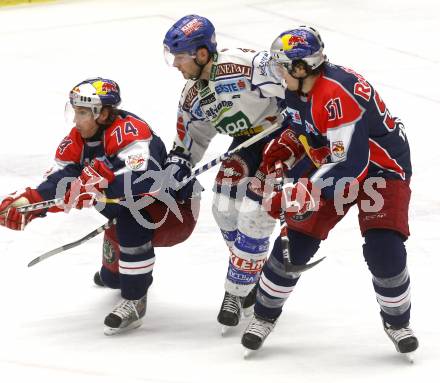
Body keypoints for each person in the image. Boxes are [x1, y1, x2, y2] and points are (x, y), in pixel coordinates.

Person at [241, 26, 419, 356]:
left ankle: (397, 321)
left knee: (384, 248)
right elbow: (307, 129)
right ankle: (263, 315)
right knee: (296, 243)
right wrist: (286, 145)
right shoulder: (298, 87)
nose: (278, 73)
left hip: (381, 169)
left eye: (283, 66)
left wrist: (299, 191)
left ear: (300, 67)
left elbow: (349, 166)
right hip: (333, 162)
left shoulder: (337, 93)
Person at [0, 78, 199, 335]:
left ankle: (135, 299)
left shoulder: (131, 132)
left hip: (173, 211)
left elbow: (143, 181)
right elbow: (61, 178)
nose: (75, 120)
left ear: (103, 113)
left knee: (130, 220)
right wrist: (31, 202)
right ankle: (117, 274)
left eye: (82, 113)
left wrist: (98, 188)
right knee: (111, 277)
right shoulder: (78, 140)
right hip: (124, 209)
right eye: (75, 112)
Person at [163, 15, 287, 331]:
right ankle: (249, 273)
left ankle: (238, 287)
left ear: (201, 54)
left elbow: (296, 84)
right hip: (247, 141)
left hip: (284, 138)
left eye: (180, 56)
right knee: (223, 207)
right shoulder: (193, 94)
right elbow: (191, 138)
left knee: (255, 215)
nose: (176, 64)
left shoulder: (247, 65)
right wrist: (179, 164)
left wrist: (299, 115)